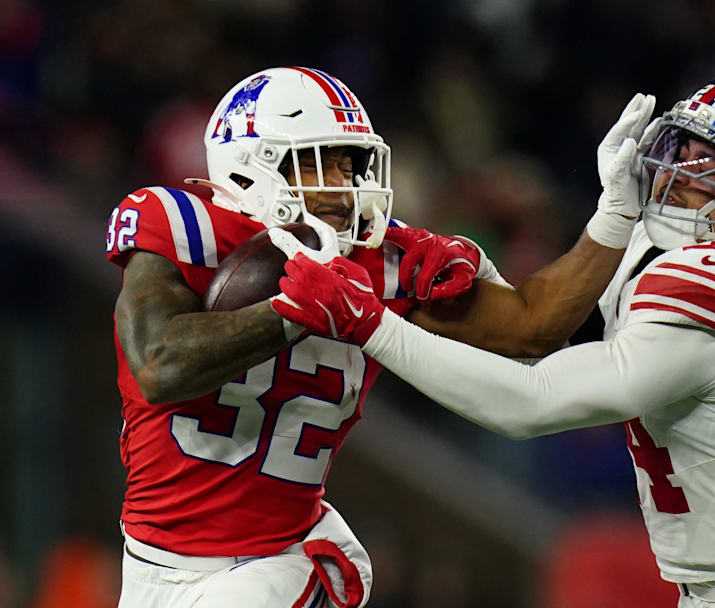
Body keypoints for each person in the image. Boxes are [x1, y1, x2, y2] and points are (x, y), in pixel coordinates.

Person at [270, 73, 715, 607]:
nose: (678, 169)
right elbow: (557, 321)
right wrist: (612, 214)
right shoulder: (691, 259)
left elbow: (531, 400)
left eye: (710, 163)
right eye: (685, 147)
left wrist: (370, 324)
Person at [107, 66, 654, 607]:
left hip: (279, 560)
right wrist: (297, 310)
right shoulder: (181, 227)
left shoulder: (379, 260)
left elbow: (533, 329)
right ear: (254, 165)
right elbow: (160, 366)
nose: (344, 189)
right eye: (321, 164)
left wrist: (614, 214)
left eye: (351, 165)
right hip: (151, 560)